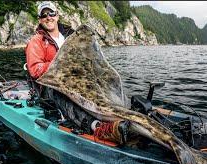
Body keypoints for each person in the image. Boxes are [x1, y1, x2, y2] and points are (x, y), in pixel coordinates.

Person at [25, 1, 129, 145]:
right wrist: (60, 64)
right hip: (51, 86)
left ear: (57, 15)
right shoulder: (36, 41)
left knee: (105, 82)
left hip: (79, 81)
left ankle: (120, 110)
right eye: (43, 15)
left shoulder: (71, 35)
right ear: (39, 19)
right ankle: (98, 128)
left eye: (51, 13)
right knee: (62, 93)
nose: (48, 17)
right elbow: (35, 70)